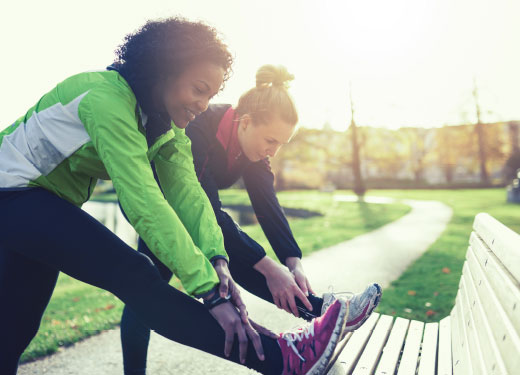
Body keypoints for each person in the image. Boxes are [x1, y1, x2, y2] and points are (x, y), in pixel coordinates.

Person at [0, 18, 350, 375]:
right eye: (198, 89)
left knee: (13, 332)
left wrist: (217, 260)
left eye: (211, 95)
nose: (203, 104)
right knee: (133, 272)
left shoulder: (162, 125)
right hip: (11, 195)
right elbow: (145, 202)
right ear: (164, 70)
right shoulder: (106, 100)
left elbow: (190, 196)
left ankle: (287, 358)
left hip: (35, 202)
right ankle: (284, 360)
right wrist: (210, 293)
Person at [119, 64, 383, 374]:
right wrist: (268, 266)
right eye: (271, 141)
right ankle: (316, 311)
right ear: (245, 123)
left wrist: (291, 261)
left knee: (167, 285)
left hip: (196, 211)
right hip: (159, 207)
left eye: (280, 145)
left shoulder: (253, 151)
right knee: (147, 291)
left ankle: (318, 310)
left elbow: (267, 205)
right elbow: (205, 209)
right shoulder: (200, 127)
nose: (273, 151)